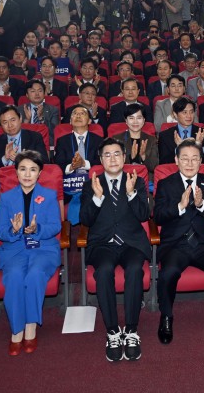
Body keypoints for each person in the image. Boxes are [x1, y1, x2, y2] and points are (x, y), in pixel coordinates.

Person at [153, 139, 204, 344]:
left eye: (194, 159)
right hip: (175, 244)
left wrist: (201, 204)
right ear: (176, 160)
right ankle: (167, 317)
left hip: (202, 243)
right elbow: (159, 216)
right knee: (168, 273)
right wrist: (179, 206)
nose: (190, 163)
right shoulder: (165, 184)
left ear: (200, 162)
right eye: (185, 159)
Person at [80, 138, 151, 361]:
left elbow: (144, 216)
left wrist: (131, 193)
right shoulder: (91, 182)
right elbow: (85, 219)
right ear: (100, 160)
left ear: (124, 157)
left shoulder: (136, 181)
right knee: (103, 271)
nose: (113, 159)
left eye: (117, 154)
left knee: (133, 270)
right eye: (107, 155)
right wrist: (97, 198)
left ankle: (131, 329)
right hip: (102, 243)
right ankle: (112, 331)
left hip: (131, 242)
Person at [0, 151, 61, 355]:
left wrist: (37, 229)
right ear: (16, 172)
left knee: (34, 275)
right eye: (22, 169)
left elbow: (55, 226)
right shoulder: (6, 198)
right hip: (15, 250)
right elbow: (0, 230)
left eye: (33, 170)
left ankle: (31, 324)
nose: (27, 174)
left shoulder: (49, 195)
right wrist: (14, 230)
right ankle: (17, 329)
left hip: (43, 248)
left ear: (39, 173)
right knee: (14, 276)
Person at [0, 105, 48, 176]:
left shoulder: (35, 137)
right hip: (6, 180)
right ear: (1, 126)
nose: (10, 125)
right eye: (5, 122)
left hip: (30, 177)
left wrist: (25, 158)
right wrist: (5, 158)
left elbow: (45, 162)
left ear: (20, 119)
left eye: (13, 120)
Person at [158, 97, 204, 165]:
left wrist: (199, 145)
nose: (189, 116)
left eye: (191, 112)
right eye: (184, 112)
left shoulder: (202, 133)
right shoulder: (165, 136)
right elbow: (163, 164)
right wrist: (178, 148)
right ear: (175, 114)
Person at [111, 103, 159, 177]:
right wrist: (130, 158)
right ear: (126, 120)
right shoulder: (116, 139)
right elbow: (113, 164)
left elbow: (154, 167)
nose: (135, 122)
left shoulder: (151, 139)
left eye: (139, 118)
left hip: (146, 180)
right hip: (123, 179)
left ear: (144, 120)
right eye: (131, 118)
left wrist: (143, 156)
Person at [18, 79, 59, 146]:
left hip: (45, 143)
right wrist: (26, 122)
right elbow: (15, 131)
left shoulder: (53, 110)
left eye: (40, 91)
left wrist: (41, 119)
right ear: (27, 95)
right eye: (33, 91)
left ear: (44, 93)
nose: (37, 94)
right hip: (25, 143)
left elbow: (54, 132)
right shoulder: (20, 110)